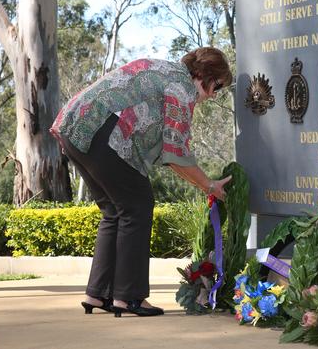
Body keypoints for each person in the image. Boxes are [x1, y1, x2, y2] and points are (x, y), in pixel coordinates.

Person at [50, 47, 233, 317]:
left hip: (74, 125)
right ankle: (129, 297)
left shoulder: (165, 70)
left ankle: (98, 293)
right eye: (216, 86)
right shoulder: (181, 86)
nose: (214, 94)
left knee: (115, 211)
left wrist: (205, 184)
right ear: (204, 74)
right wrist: (209, 185)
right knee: (137, 205)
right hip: (101, 131)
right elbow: (176, 151)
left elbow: (172, 156)